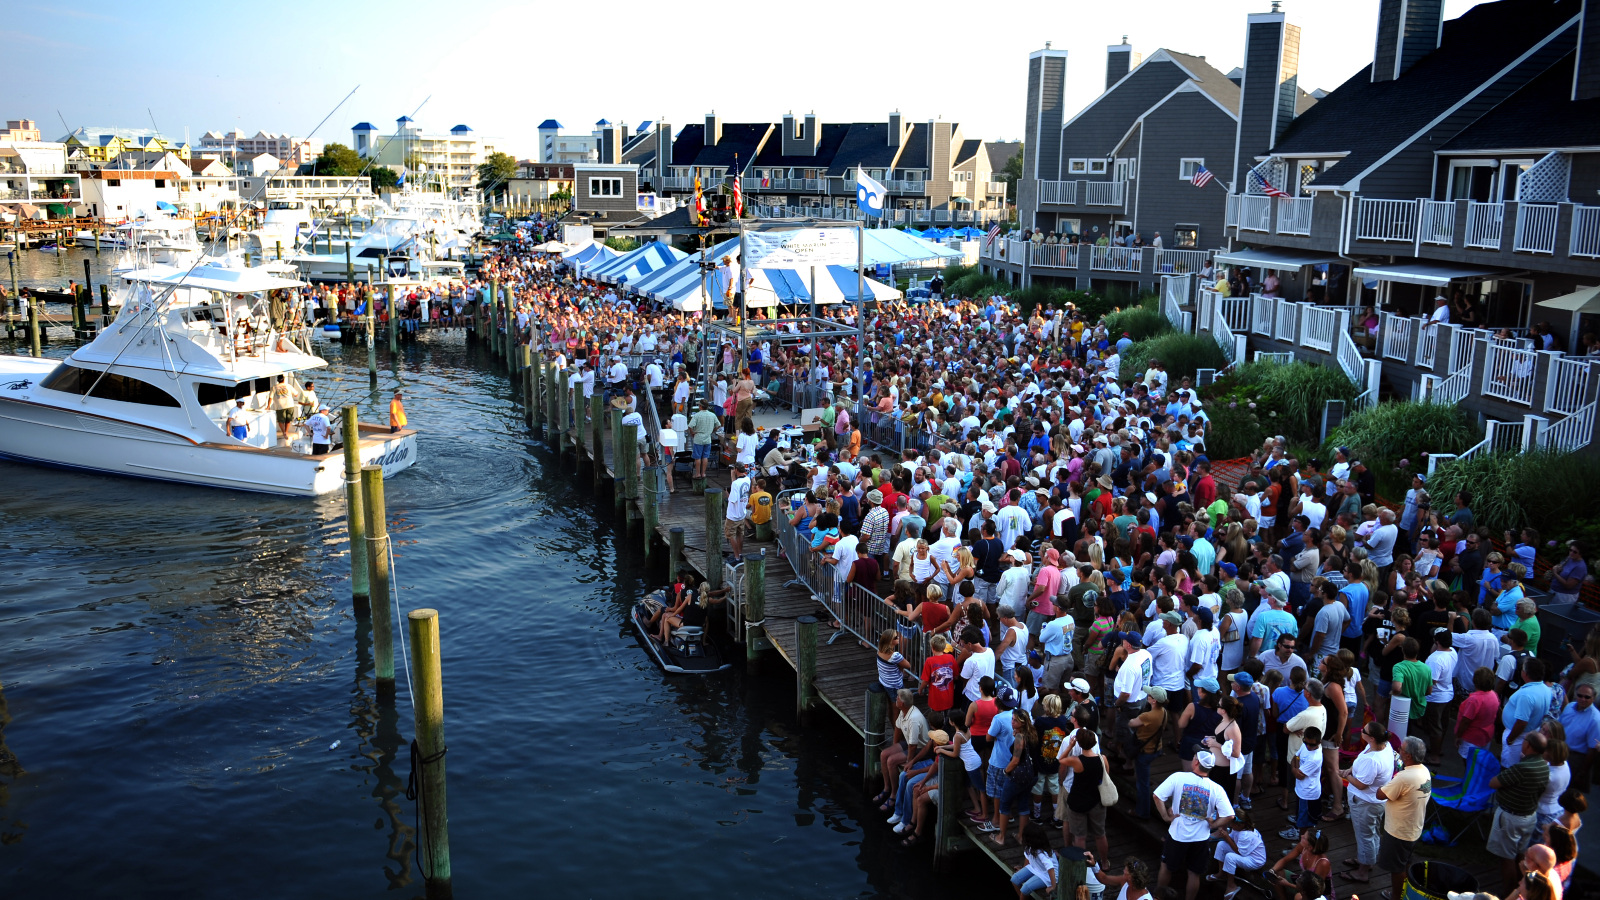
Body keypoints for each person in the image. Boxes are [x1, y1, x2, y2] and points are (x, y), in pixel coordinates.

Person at [1152, 750, 1234, 900]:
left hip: (1177, 835)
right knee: (1194, 873)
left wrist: (1165, 816)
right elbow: (1230, 815)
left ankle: (1158, 897)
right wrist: (1214, 824)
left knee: (1166, 866)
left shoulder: (1178, 777)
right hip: (1201, 838)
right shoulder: (1216, 788)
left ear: (1196, 762)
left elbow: (1157, 796)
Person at [1489, 732, 1551, 892]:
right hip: (1529, 816)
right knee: (1521, 855)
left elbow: (1494, 783)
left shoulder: (1522, 768)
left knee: (1507, 857)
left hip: (1511, 817)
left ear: (1528, 745)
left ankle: (1511, 892)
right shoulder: (1544, 765)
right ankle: (1522, 887)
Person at [1341, 721, 1396, 885]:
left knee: (1365, 836)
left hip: (1365, 803)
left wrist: (1345, 774)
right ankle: (1366, 860)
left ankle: (1363, 871)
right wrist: (1351, 769)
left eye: (1364, 731)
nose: (1361, 731)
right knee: (1372, 833)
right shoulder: (1383, 746)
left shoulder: (1373, 760)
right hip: (1373, 802)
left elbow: (1361, 785)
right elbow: (1361, 761)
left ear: (1371, 738)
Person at [1377, 736, 1432, 900]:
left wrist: (1385, 783)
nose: (1398, 750)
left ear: (1408, 755)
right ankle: (1405, 892)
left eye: (1401, 748)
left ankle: (1397, 897)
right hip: (1414, 828)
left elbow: (1380, 794)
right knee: (1405, 863)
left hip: (1399, 831)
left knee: (1397, 868)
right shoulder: (1424, 770)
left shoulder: (1404, 777)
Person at [1059, 726, 1110, 863]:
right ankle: (1105, 862)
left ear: (1080, 744)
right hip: (1096, 800)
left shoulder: (1076, 761)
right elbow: (1106, 777)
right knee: (1100, 834)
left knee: (1080, 837)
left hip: (1077, 801)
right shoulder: (1103, 759)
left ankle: (1081, 864)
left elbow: (1061, 760)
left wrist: (1070, 746)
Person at [1209, 809, 1267, 900]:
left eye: (1231, 824)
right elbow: (1232, 839)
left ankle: (1231, 885)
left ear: (1239, 825)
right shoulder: (1237, 829)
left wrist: (1226, 837)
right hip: (1246, 853)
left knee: (1230, 857)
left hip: (1255, 861)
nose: (1230, 825)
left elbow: (1240, 852)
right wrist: (1223, 834)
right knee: (1221, 845)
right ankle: (1221, 873)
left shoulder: (1246, 835)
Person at [1264, 826, 1332, 900]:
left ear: (1310, 847)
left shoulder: (1322, 863)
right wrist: (1272, 871)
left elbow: (1314, 890)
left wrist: (1287, 884)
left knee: (1298, 896)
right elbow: (1285, 860)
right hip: (1304, 882)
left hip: (1315, 893)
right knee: (1277, 873)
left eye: (1304, 838)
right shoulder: (1303, 847)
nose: (1301, 836)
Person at [1282, 725, 1324, 840]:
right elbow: (1295, 758)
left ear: (1319, 742)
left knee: (1305, 823)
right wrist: (1296, 767)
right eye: (1306, 743)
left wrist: (1294, 767)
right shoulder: (1305, 745)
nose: (1308, 746)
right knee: (1301, 817)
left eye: (1312, 745)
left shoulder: (1315, 758)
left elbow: (1299, 775)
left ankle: (1303, 842)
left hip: (1309, 794)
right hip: (1301, 790)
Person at [1010, 822, 1059, 898]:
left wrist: (1053, 886)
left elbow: (1050, 868)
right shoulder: (1029, 847)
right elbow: (1028, 858)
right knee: (1015, 879)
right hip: (1036, 868)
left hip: (1047, 875)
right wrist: (1023, 869)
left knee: (1025, 889)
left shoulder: (1041, 852)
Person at [688, 399, 719, 482]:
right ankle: (703, 473)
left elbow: (690, 426)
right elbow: (718, 425)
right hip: (708, 438)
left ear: (700, 406)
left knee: (697, 457)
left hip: (698, 438)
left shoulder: (697, 415)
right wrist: (713, 430)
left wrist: (692, 433)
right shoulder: (712, 415)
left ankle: (698, 473)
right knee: (705, 456)